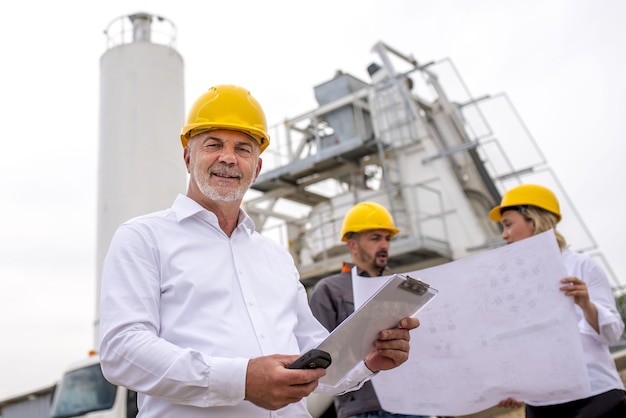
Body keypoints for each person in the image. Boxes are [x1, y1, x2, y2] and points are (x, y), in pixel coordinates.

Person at [98, 84, 420, 418]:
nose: (228, 157)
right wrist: (241, 380)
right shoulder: (143, 238)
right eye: (213, 144)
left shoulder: (276, 257)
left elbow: (320, 360)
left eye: (243, 148)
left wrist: (368, 361)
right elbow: (122, 351)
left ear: (257, 168)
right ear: (187, 157)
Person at [489, 183, 626, 418]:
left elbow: (613, 334)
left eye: (508, 224)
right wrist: (512, 382)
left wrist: (586, 304)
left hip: (595, 397)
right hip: (541, 404)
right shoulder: (508, 283)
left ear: (533, 221)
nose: (504, 235)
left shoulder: (581, 266)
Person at [308, 202, 430, 418]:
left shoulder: (403, 289)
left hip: (411, 405)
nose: (384, 245)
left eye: (387, 238)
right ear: (353, 245)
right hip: (363, 409)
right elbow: (317, 355)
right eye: (375, 238)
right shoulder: (329, 290)